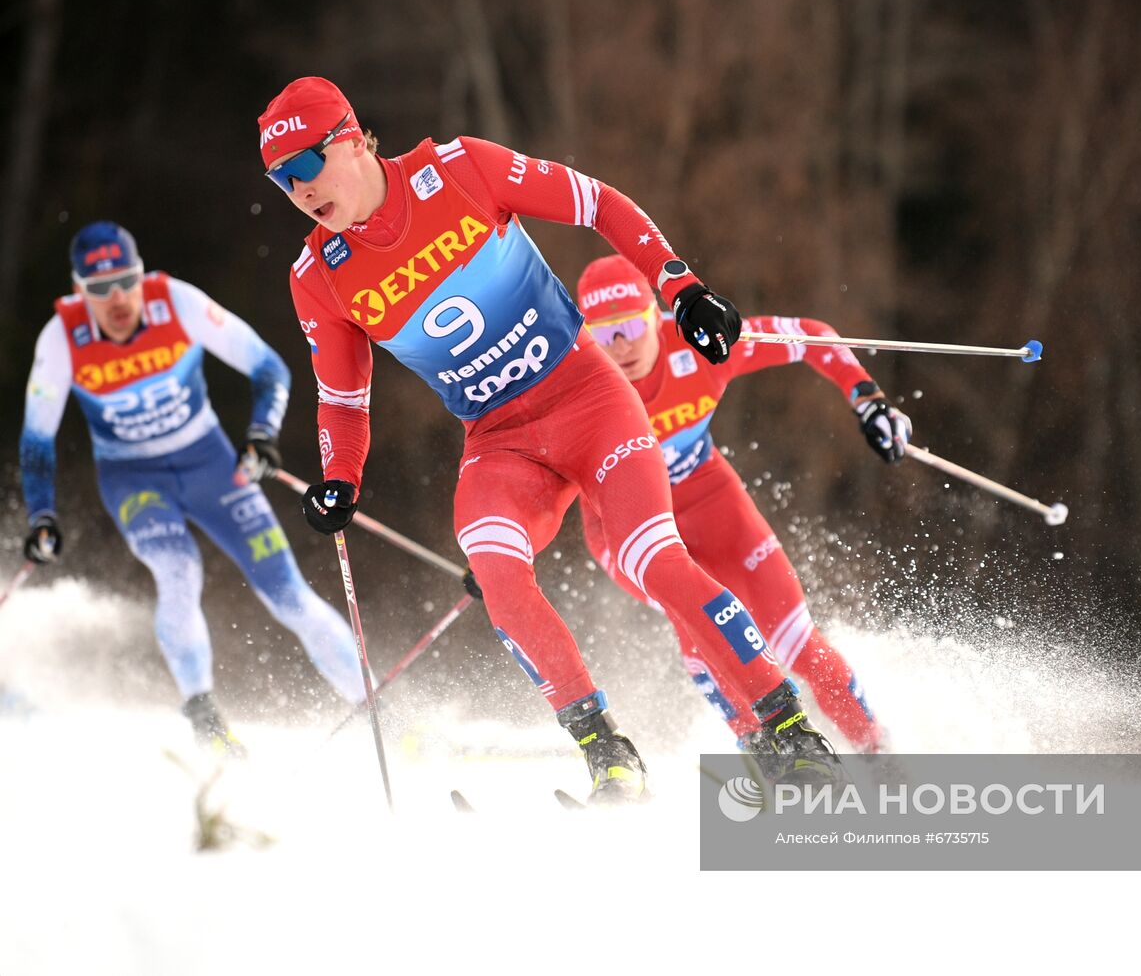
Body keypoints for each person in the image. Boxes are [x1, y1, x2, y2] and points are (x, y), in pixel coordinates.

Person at [258, 76, 842, 801]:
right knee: (498, 573)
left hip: (589, 398)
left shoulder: (459, 169)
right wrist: (341, 475)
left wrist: (679, 285)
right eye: (280, 180)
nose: (297, 190)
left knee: (654, 558)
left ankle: (789, 731)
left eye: (305, 167)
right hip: (501, 441)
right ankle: (608, 755)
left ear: (350, 139)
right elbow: (344, 393)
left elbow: (596, 202)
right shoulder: (318, 275)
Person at [18, 222, 368, 755]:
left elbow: (269, 369)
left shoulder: (176, 302)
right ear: (78, 291)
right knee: (178, 570)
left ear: (141, 276)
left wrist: (260, 436)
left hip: (210, 464)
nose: (115, 299)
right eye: (98, 289)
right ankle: (204, 718)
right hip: (133, 479)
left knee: (289, 593)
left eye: (124, 281)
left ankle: (375, 712)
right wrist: (42, 515)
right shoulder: (61, 338)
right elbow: (37, 439)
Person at [575, 255, 908, 759]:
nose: (620, 347)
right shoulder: (572, 379)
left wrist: (867, 399)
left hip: (710, 499)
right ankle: (777, 762)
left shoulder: (700, 343)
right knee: (706, 637)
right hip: (624, 528)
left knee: (801, 644)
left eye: (629, 326)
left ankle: (883, 761)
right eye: (604, 334)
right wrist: (505, 550)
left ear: (655, 316)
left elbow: (811, 335)